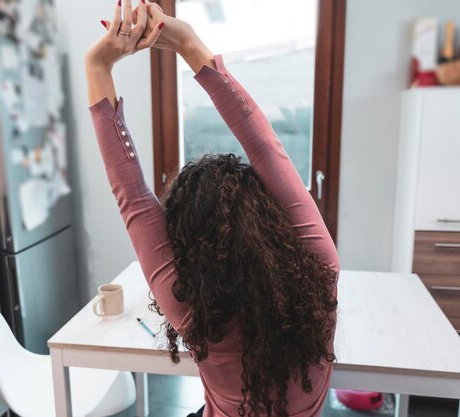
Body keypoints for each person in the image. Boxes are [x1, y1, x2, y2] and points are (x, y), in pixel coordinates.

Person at [85, 1, 339, 416]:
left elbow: (130, 194)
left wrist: (97, 66)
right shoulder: (321, 266)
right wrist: (189, 45)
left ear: (187, 245)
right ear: (268, 219)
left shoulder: (191, 307)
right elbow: (266, 149)